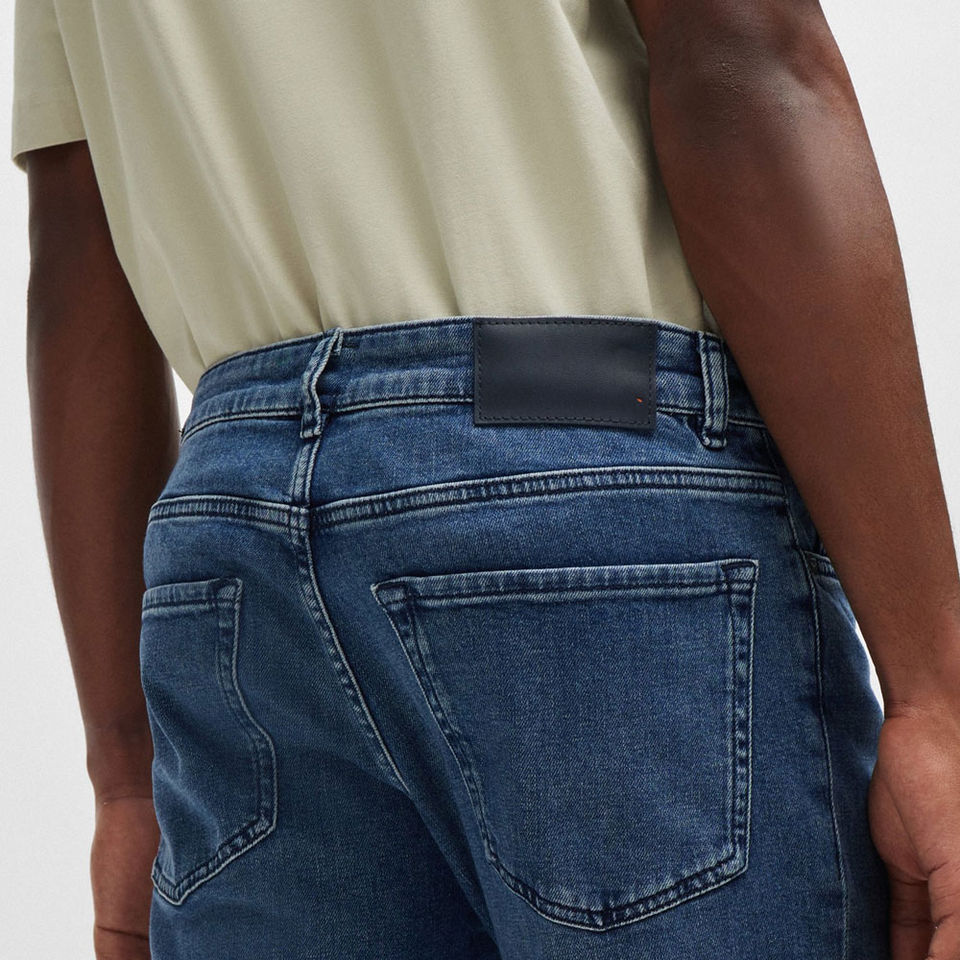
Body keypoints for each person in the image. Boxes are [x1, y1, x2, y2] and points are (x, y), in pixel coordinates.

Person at [12, 0, 960, 958]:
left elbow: (78, 225)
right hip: (584, 474)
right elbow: (740, 43)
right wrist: (936, 697)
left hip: (236, 545)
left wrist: (125, 775)